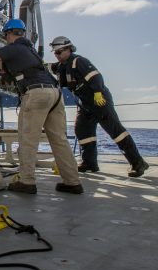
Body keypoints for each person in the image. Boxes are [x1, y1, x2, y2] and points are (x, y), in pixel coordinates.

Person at [0, 19, 83, 194]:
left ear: (8, 34)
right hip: (55, 94)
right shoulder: (28, 51)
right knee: (59, 140)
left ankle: (27, 181)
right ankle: (72, 182)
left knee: (27, 139)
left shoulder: (15, 48)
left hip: (36, 94)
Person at [49, 36, 149, 177]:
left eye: (59, 52)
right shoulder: (62, 66)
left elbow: (96, 77)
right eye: (55, 53)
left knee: (116, 131)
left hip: (99, 100)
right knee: (82, 131)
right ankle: (89, 163)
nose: (56, 55)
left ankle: (138, 163)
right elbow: (50, 68)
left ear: (68, 49)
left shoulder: (79, 61)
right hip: (85, 105)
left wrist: (97, 92)